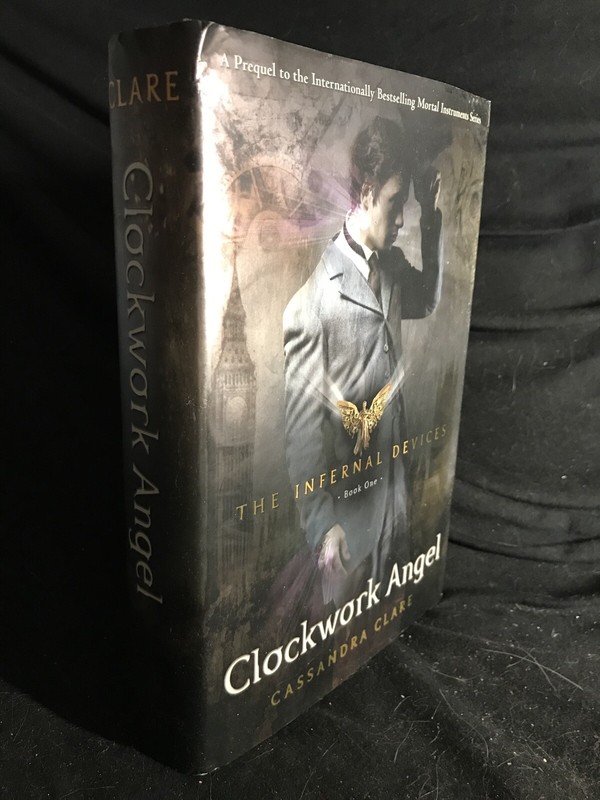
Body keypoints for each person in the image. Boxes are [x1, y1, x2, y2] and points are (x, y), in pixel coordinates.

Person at [283, 116, 442, 606]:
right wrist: (322, 527)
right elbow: (302, 440)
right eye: (396, 203)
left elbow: (426, 301)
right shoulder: (310, 307)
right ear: (367, 192)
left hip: (396, 505)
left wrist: (430, 216)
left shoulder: (390, 267)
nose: (401, 221)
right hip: (349, 535)